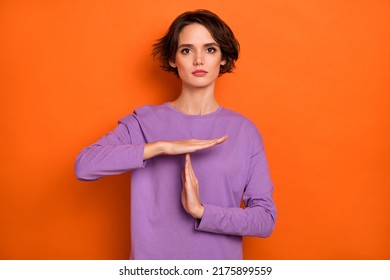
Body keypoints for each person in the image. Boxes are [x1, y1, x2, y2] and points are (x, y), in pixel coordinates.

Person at [75, 9, 276, 260]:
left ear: (223, 58)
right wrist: (160, 147)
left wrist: (201, 211)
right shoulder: (143, 123)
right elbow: (84, 166)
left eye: (210, 49)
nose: (199, 60)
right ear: (173, 59)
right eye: (187, 50)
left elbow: (265, 219)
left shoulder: (244, 131)